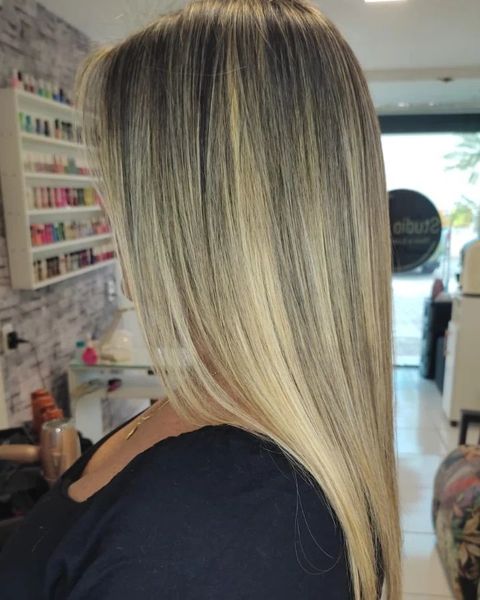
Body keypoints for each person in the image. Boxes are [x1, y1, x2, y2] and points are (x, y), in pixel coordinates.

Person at [0, 0, 401, 597]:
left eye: (119, 183)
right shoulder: (221, 419)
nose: (109, 210)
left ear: (191, 212)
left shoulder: (210, 527)